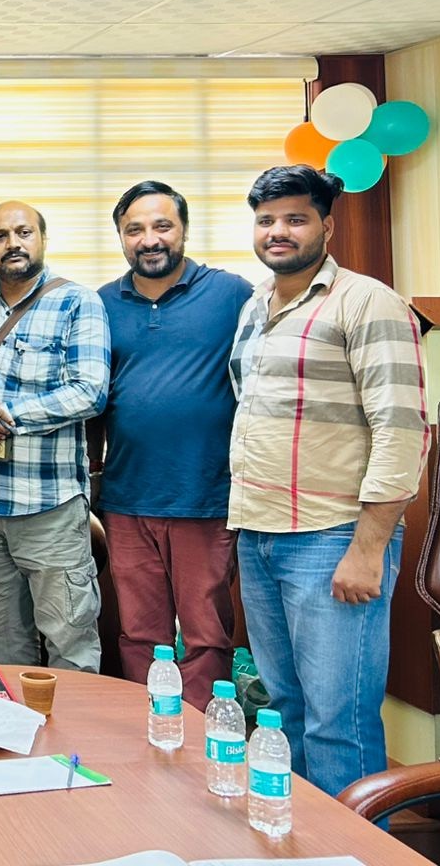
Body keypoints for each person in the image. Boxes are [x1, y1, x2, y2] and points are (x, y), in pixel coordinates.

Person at [229, 165, 428, 797]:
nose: (278, 231)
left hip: (333, 537)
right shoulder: (255, 305)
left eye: (295, 219)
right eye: (266, 220)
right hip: (259, 534)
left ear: (327, 226)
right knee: (283, 710)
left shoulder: (367, 301)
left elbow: (401, 429)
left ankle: (357, 844)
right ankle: (293, 838)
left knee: (338, 722)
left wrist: (368, 550)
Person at [97, 181, 254, 703]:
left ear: (184, 229)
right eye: (135, 229)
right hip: (127, 497)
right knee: (139, 632)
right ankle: (146, 730)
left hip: (205, 494)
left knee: (207, 634)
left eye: (162, 226)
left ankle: (202, 733)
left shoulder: (232, 294)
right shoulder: (101, 304)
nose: (149, 239)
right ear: (121, 237)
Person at [0, 201, 110, 672]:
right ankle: (10, 722)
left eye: (23, 232)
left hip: (48, 507)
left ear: (43, 239)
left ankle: (72, 724)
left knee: (69, 638)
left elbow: (89, 392)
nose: (13, 243)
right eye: (0, 236)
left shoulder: (78, 302)